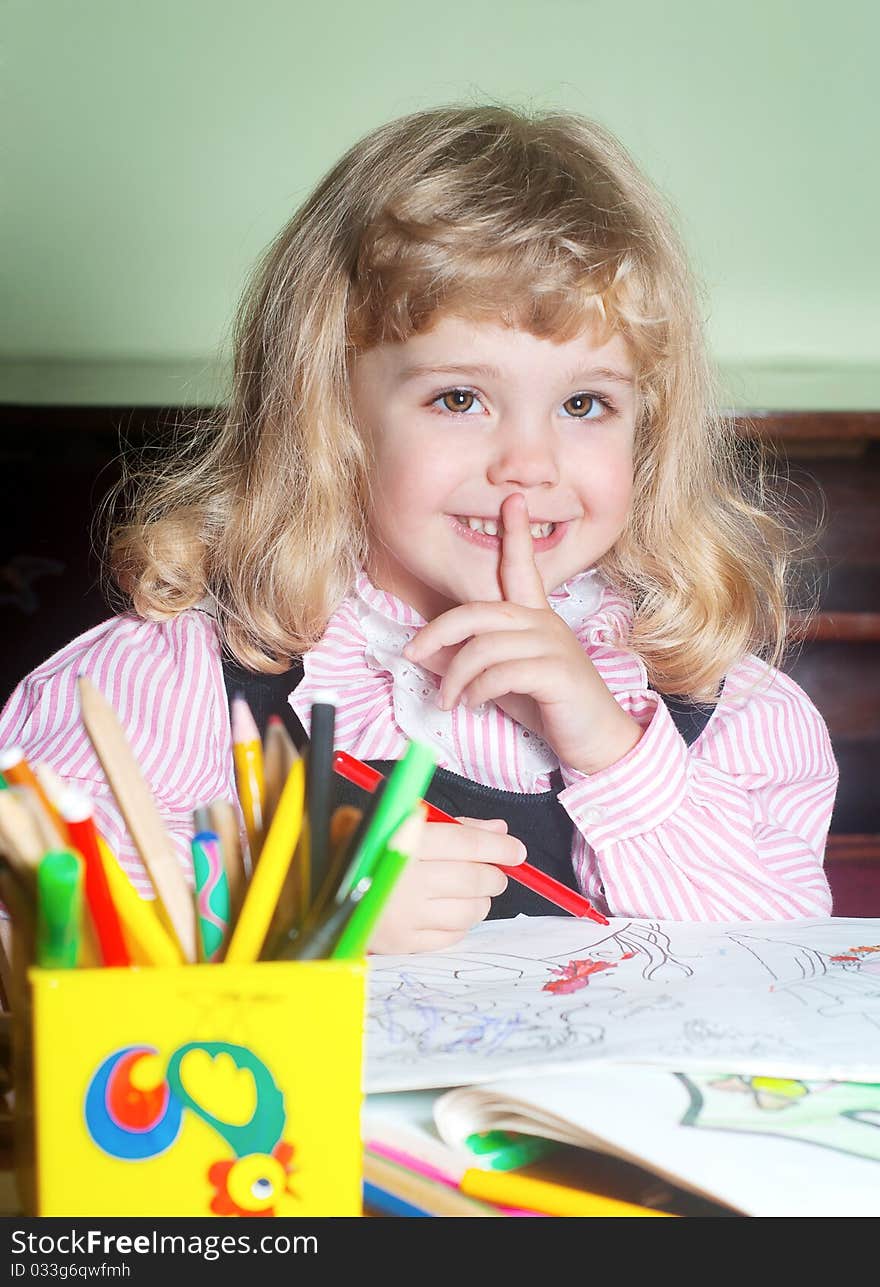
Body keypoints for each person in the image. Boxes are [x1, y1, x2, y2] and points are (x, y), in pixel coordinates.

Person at [0, 105, 837, 954]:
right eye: (459, 398)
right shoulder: (178, 679)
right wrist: (305, 918)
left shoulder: (729, 709)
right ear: (330, 415)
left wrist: (614, 753)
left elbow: (789, 963)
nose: (529, 462)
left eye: (585, 403)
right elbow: (37, 929)